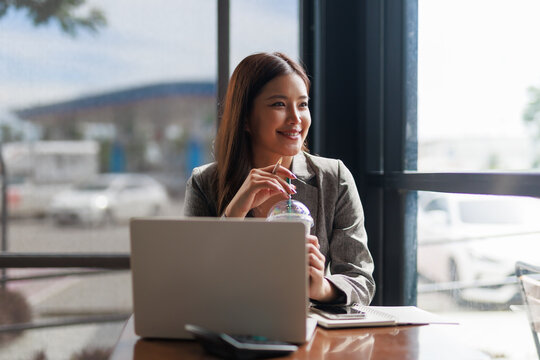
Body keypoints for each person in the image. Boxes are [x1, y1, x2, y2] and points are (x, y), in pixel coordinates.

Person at [184, 52, 375, 305]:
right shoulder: (204, 183)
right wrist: (235, 211)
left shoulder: (334, 178)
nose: (296, 118)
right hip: (227, 330)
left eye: (303, 104)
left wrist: (321, 287)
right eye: (279, 104)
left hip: (308, 334)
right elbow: (191, 283)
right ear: (246, 119)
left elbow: (360, 279)